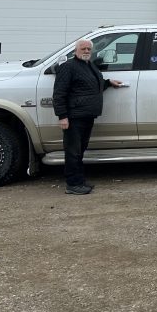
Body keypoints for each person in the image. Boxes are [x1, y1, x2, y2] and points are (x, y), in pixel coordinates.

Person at [53, 39, 122, 195]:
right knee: (73, 151)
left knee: (80, 150)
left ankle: (79, 181)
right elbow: (59, 93)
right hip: (74, 116)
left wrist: (108, 82)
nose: (86, 51)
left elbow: (92, 85)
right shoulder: (68, 67)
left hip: (86, 115)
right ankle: (72, 184)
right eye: (83, 48)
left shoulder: (88, 65)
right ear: (75, 50)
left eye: (88, 49)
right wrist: (62, 116)